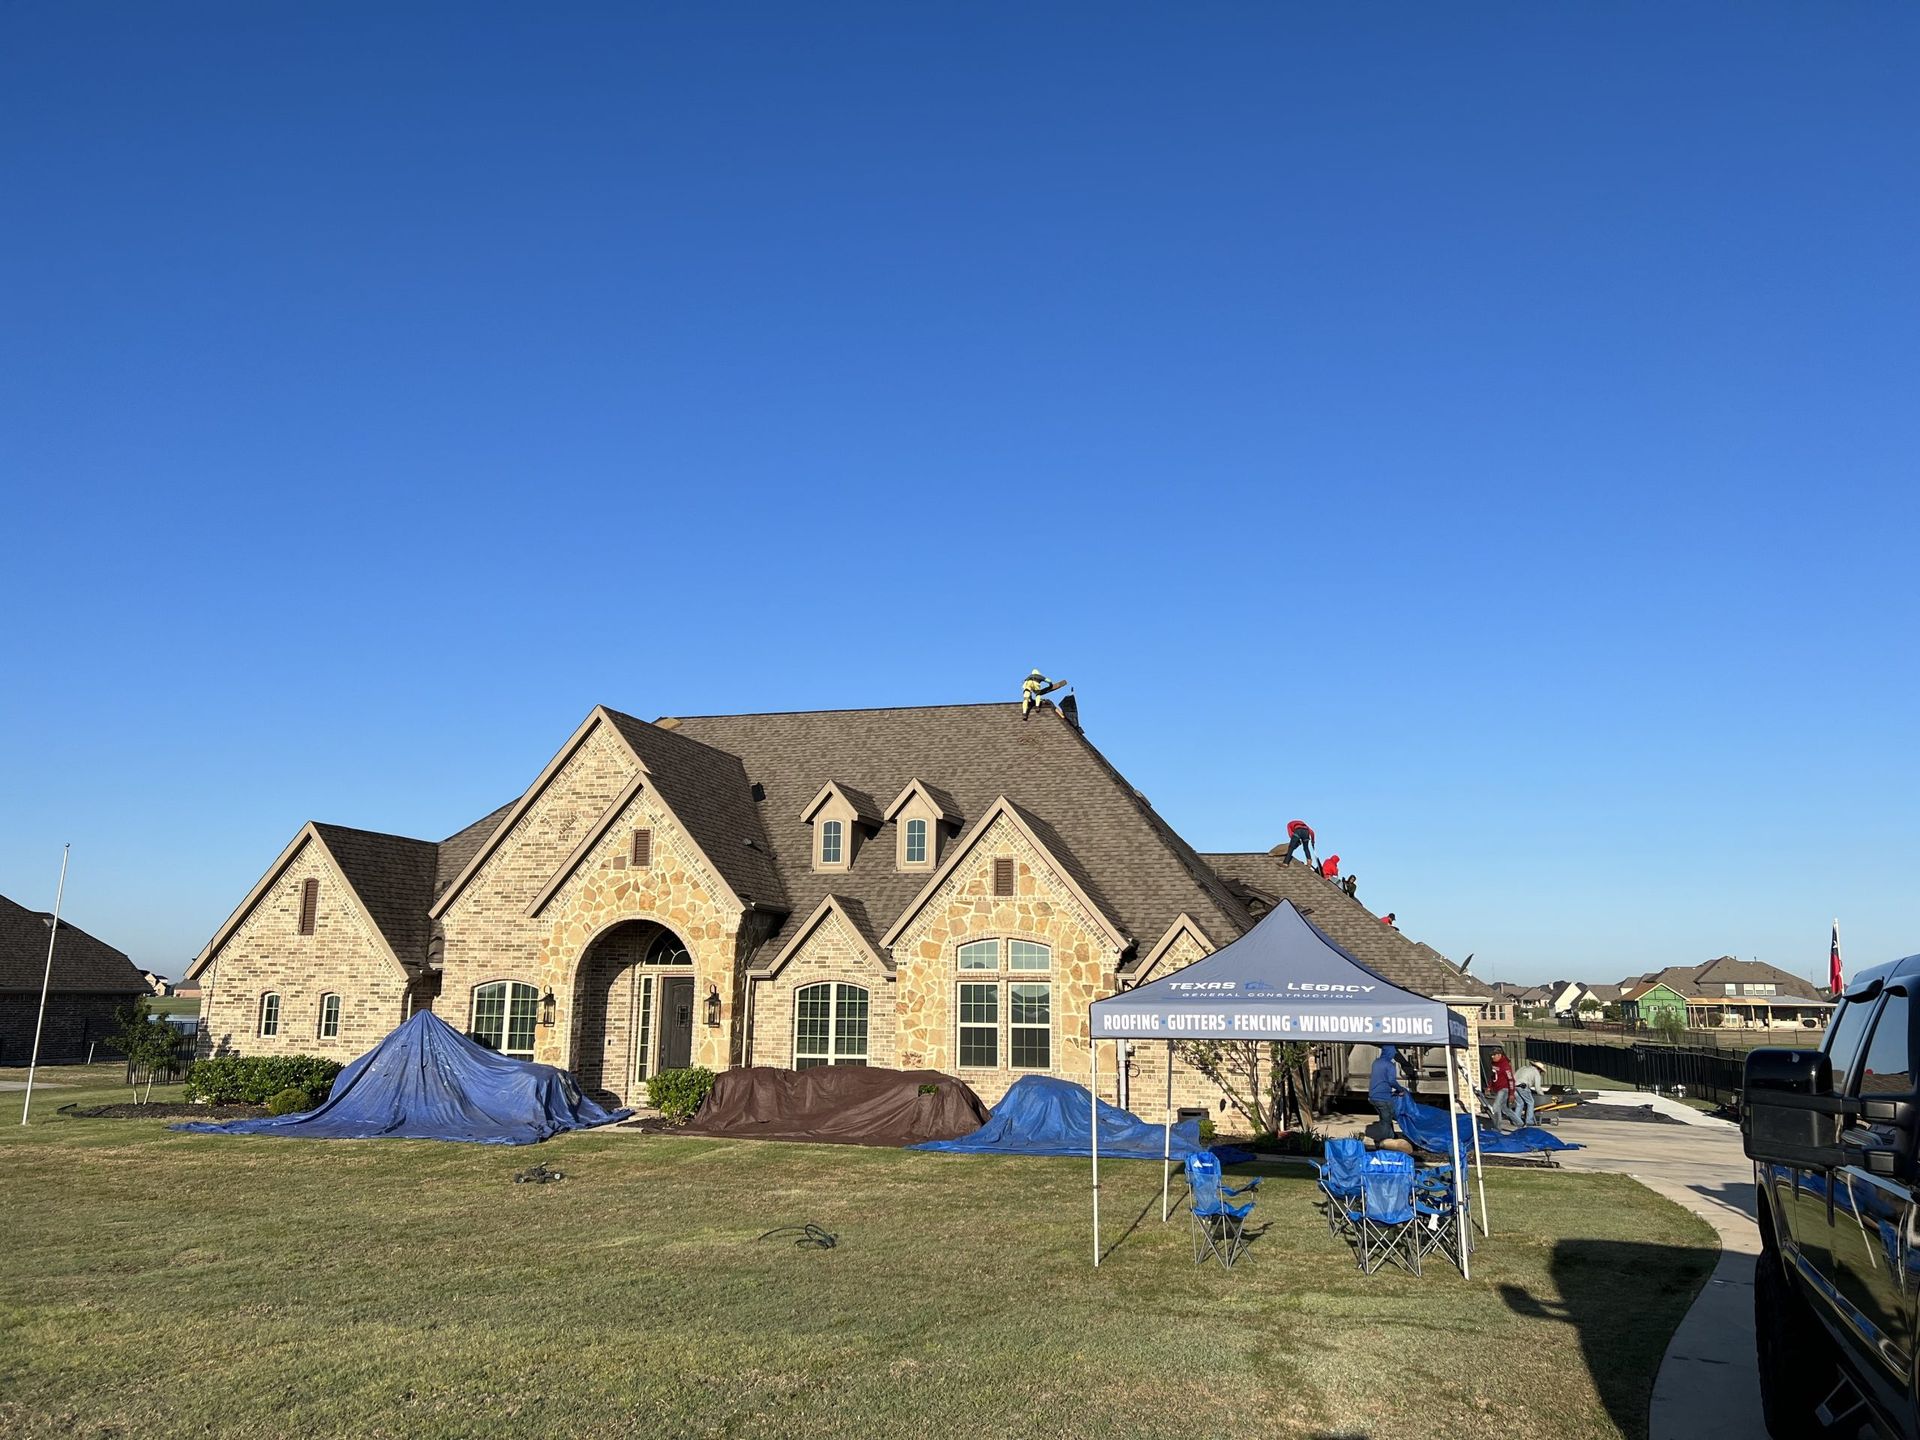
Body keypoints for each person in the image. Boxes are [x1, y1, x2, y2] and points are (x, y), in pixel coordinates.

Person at [1368, 1044, 1406, 1140]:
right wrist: (1400, 1090)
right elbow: (1391, 1081)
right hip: (1383, 1098)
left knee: (1385, 1119)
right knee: (1386, 1120)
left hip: (1373, 1096)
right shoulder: (1389, 1065)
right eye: (1393, 1053)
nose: (1393, 1055)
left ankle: (1392, 1138)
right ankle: (1384, 1143)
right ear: (1390, 1053)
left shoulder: (1375, 1062)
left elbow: (1380, 1079)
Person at [1486, 1046, 1517, 1129]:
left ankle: (1497, 1127)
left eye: (1494, 1055)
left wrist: (1511, 1093)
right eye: (1491, 1055)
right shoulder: (1493, 1064)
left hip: (1504, 1089)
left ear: (1499, 1055)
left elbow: (1511, 1079)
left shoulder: (1505, 1065)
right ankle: (1520, 1123)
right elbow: (1492, 1076)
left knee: (1496, 1107)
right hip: (1498, 1088)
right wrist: (1489, 1087)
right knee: (1505, 1108)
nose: (1492, 1057)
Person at [1513, 1057, 1545, 1128]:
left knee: (1520, 1103)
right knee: (1530, 1102)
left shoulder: (1523, 1068)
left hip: (1514, 1086)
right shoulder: (1536, 1072)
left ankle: (1516, 1120)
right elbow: (1537, 1087)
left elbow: (1514, 1076)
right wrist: (1542, 1095)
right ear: (1539, 1069)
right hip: (1523, 1086)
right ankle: (1529, 1121)